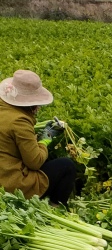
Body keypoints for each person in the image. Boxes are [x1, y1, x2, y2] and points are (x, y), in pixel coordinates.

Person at [0, 69, 77, 206]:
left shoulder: (4, 108)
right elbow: (34, 162)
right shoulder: (20, 122)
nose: (39, 107)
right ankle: (56, 209)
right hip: (8, 184)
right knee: (67, 166)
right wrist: (45, 139)